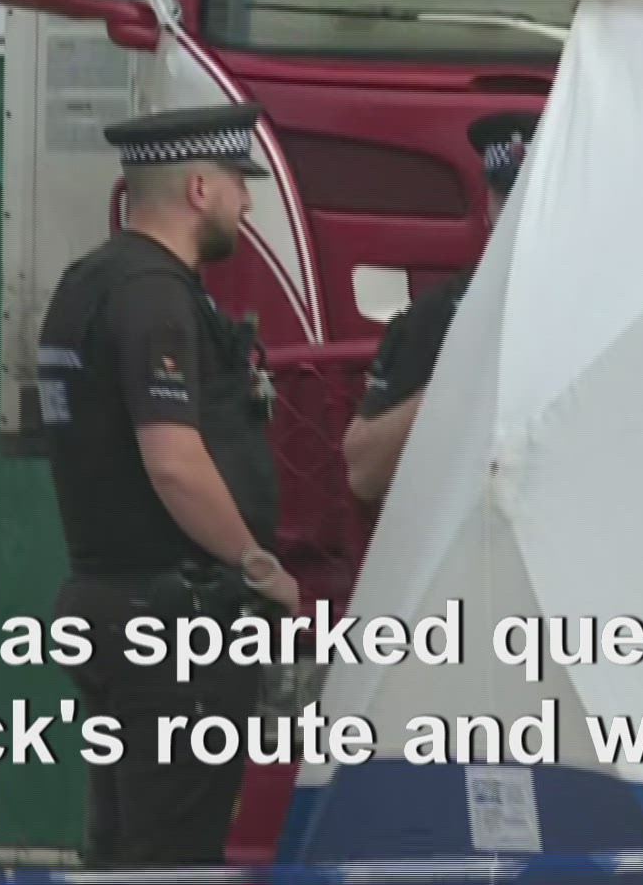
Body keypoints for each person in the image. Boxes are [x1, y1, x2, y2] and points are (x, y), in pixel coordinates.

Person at [34, 101, 302, 871]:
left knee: (123, 853)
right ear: (198, 189)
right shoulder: (156, 298)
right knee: (175, 859)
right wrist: (259, 566)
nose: (246, 202)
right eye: (237, 183)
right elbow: (174, 462)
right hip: (174, 625)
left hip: (111, 605)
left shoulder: (86, 283)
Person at [343, 110, 538, 503]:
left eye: (533, 196)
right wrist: (455, 382)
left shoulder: (607, 307)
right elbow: (363, 473)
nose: (518, 213)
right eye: (508, 196)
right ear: (489, 205)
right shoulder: (443, 312)